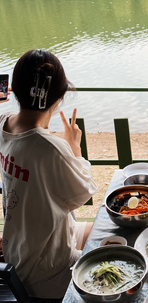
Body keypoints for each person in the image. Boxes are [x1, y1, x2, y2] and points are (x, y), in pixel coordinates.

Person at [0, 49, 97, 300]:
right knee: (119, 248)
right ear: (61, 96)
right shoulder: (51, 149)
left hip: (23, 247)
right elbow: (83, 192)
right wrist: (74, 147)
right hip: (47, 270)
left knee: (107, 230)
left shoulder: (3, 124)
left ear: (12, 90)